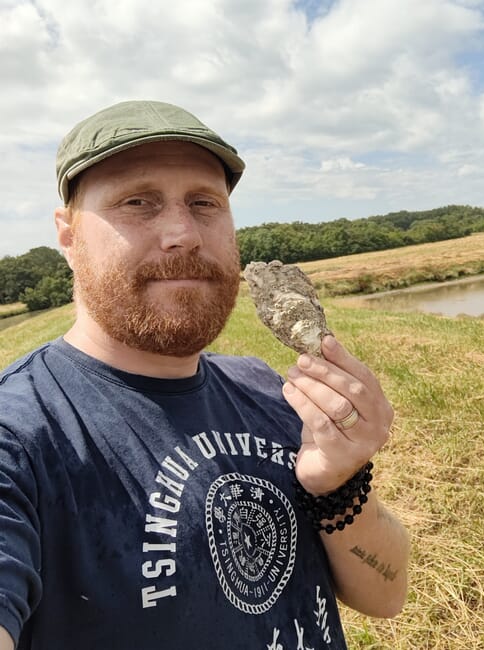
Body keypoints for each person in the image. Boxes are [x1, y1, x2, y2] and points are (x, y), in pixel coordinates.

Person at [0, 100, 409, 649]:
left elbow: (385, 597)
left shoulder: (266, 387)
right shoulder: (20, 435)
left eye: (204, 203)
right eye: (138, 202)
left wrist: (337, 483)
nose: (183, 233)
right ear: (69, 237)